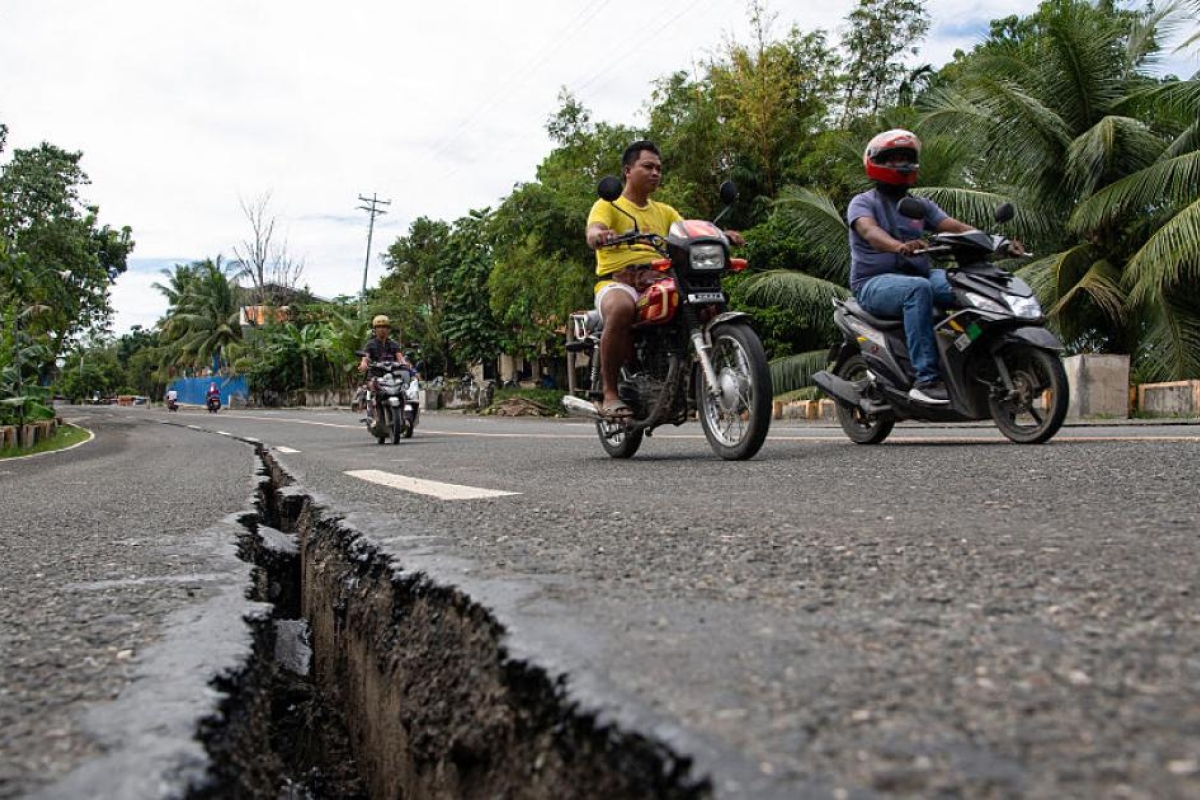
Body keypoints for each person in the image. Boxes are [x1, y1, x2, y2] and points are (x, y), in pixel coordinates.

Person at [847, 129, 1021, 405]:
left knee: (968, 284)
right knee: (917, 289)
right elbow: (870, 232)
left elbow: (954, 227)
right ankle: (926, 380)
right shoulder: (863, 202)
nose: (903, 164)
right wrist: (898, 246)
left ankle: (970, 358)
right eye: (895, 158)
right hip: (873, 283)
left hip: (920, 274)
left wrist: (998, 242)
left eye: (907, 158)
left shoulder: (920, 206)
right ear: (877, 162)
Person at [585, 140, 742, 418]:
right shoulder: (609, 205)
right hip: (619, 281)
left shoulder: (665, 211)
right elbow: (593, 230)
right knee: (620, 308)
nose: (655, 173)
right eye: (648, 166)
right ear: (627, 171)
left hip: (660, 277)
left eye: (658, 168)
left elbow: (688, 232)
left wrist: (719, 235)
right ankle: (610, 393)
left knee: (707, 305)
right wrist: (599, 235)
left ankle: (693, 375)